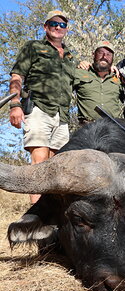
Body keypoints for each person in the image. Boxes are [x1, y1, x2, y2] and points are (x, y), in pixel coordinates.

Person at [9, 10, 76, 204]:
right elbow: (17, 76)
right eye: (53, 23)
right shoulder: (34, 47)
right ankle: (35, 217)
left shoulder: (70, 57)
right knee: (40, 164)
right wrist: (15, 105)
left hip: (62, 116)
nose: (58, 27)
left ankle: (49, 219)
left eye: (62, 25)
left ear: (66, 29)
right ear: (45, 26)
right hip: (38, 109)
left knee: (56, 168)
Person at [74, 41, 124, 125]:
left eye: (109, 54)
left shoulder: (119, 78)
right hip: (88, 128)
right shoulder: (80, 73)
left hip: (113, 128)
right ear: (93, 54)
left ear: (112, 58)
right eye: (101, 52)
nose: (104, 56)